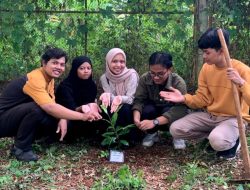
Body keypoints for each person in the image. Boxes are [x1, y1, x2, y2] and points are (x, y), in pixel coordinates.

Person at [160, 28, 250, 159]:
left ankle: (233, 141)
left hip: (233, 118)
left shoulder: (242, 70)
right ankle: (215, 135)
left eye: (207, 52)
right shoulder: (206, 69)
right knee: (176, 129)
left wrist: (241, 82)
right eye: (203, 52)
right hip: (211, 116)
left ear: (221, 50)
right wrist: (183, 98)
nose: (204, 56)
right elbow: (202, 99)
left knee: (218, 141)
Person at [0, 48, 101, 162]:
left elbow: (52, 102)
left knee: (51, 116)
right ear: (44, 63)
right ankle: (21, 148)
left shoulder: (49, 79)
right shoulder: (35, 79)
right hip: (3, 120)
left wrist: (62, 117)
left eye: (62, 64)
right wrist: (83, 116)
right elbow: (50, 107)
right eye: (54, 63)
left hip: (14, 117)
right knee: (37, 108)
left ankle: (39, 139)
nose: (59, 67)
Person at [132, 52, 188, 148]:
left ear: (169, 69)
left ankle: (177, 135)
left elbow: (181, 109)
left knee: (170, 110)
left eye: (160, 74)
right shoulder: (145, 79)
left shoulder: (178, 82)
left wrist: (154, 122)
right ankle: (152, 133)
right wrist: (136, 118)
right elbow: (139, 100)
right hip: (153, 111)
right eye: (152, 73)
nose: (156, 77)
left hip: (168, 115)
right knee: (147, 109)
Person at [99, 48, 139, 144]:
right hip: (113, 106)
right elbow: (108, 97)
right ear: (108, 62)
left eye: (122, 61)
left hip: (129, 106)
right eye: (114, 61)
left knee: (124, 108)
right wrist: (106, 96)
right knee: (103, 106)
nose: (118, 65)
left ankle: (128, 139)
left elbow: (131, 98)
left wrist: (120, 98)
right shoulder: (104, 78)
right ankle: (109, 139)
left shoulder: (131, 75)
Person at [56, 56, 101, 140]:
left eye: (88, 68)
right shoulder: (65, 86)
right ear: (75, 70)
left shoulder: (92, 86)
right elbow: (69, 108)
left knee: (101, 117)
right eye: (82, 68)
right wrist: (82, 108)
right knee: (66, 124)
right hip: (67, 116)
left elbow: (90, 105)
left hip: (85, 116)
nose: (86, 71)